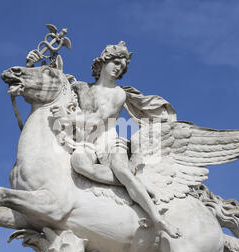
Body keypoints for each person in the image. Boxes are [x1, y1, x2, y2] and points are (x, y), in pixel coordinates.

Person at [27, 42, 181, 238]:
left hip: (109, 143)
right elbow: (51, 84)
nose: (118, 68)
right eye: (115, 62)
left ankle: (157, 219)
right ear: (103, 63)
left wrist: (68, 117)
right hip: (85, 143)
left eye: (122, 67)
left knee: (120, 169)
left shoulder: (118, 93)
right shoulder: (81, 88)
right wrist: (33, 64)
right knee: (79, 163)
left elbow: (100, 118)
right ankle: (136, 185)